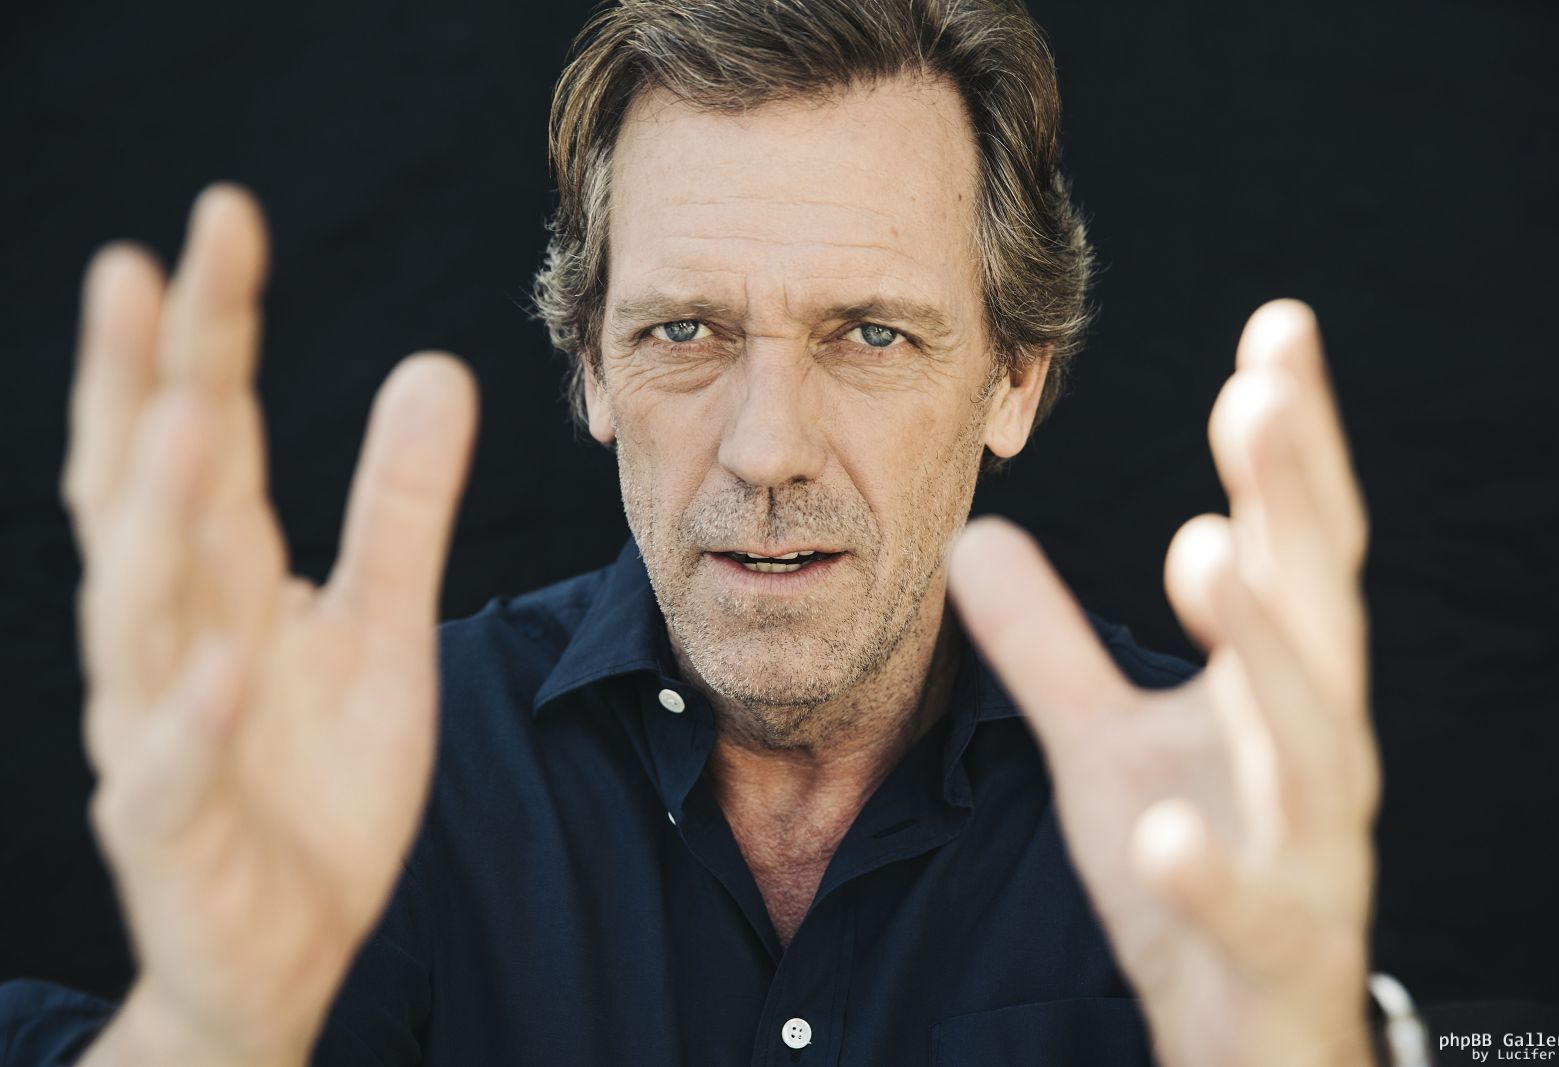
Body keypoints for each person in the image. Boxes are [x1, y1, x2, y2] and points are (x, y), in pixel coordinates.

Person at [0, 0, 1407, 1063]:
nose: (766, 448)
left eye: (871, 334)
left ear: (1015, 378)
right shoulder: (381, 770)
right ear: (594, 370)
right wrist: (205, 1034)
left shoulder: (1203, 818)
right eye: (685, 331)